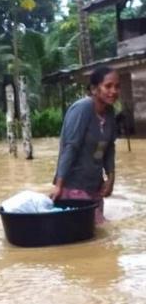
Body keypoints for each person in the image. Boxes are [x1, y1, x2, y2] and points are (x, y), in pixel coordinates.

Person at [51, 66, 120, 224]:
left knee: (97, 232)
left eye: (117, 86)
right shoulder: (83, 109)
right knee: (99, 231)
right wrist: (59, 185)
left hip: (95, 186)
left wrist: (111, 178)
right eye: (108, 86)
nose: (114, 91)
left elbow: (108, 148)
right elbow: (71, 147)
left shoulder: (109, 113)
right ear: (95, 89)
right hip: (74, 186)